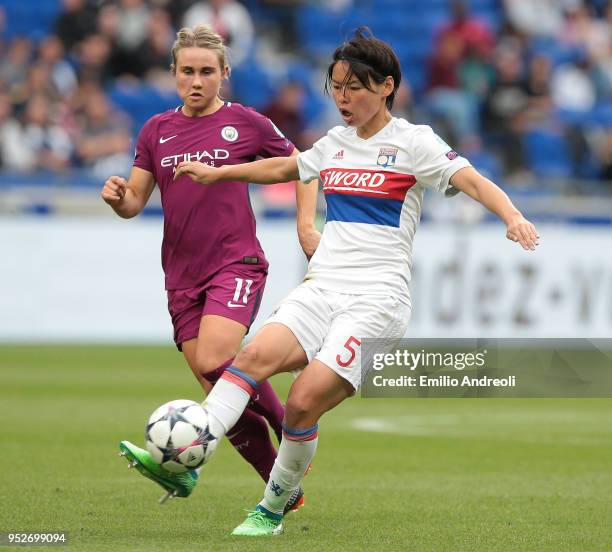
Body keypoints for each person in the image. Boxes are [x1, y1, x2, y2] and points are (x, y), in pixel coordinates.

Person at [173, 28, 540, 536]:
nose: (344, 98)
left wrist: (512, 216)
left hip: (378, 301)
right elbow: (286, 166)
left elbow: (473, 180)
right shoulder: (335, 143)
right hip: (322, 286)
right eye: (337, 87)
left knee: (302, 402)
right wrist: (220, 174)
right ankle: (191, 448)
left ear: (387, 86)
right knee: (251, 359)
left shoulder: (415, 142)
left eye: (356, 87)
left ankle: (272, 507)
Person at [101, 25, 320, 506]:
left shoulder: (245, 123)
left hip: (234, 262)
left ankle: (291, 427)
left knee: (217, 363)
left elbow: (303, 166)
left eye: (206, 72)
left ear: (224, 74)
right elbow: (136, 200)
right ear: (174, 74)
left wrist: (306, 226)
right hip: (181, 275)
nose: (196, 81)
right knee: (219, 393)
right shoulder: (156, 130)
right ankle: (281, 488)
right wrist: (119, 198)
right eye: (186, 72)